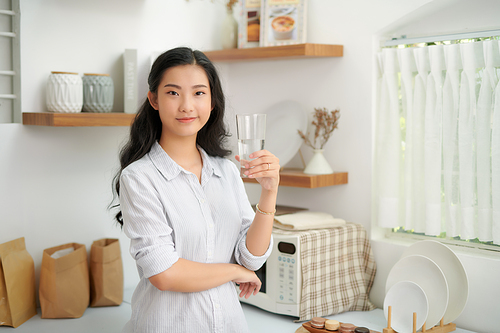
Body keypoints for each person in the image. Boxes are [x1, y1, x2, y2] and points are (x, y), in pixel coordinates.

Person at [111, 46, 280, 333]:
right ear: (153, 99)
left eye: (199, 93)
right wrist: (235, 272)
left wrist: (269, 192)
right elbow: (165, 274)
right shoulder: (139, 178)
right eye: (173, 92)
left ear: (212, 101)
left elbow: (251, 257)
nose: (187, 106)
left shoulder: (226, 171)